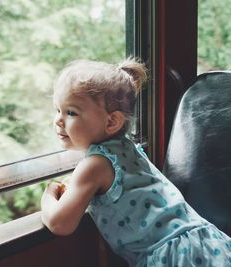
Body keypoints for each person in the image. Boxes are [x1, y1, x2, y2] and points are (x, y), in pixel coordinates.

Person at [40, 59, 231, 266]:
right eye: (58, 110)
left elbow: (59, 223)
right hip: (203, 243)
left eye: (71, 112)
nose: (59, 120)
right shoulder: (127, 148)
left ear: (112, 121)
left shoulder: (94, 165)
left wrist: (49, 192)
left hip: (174, 257)